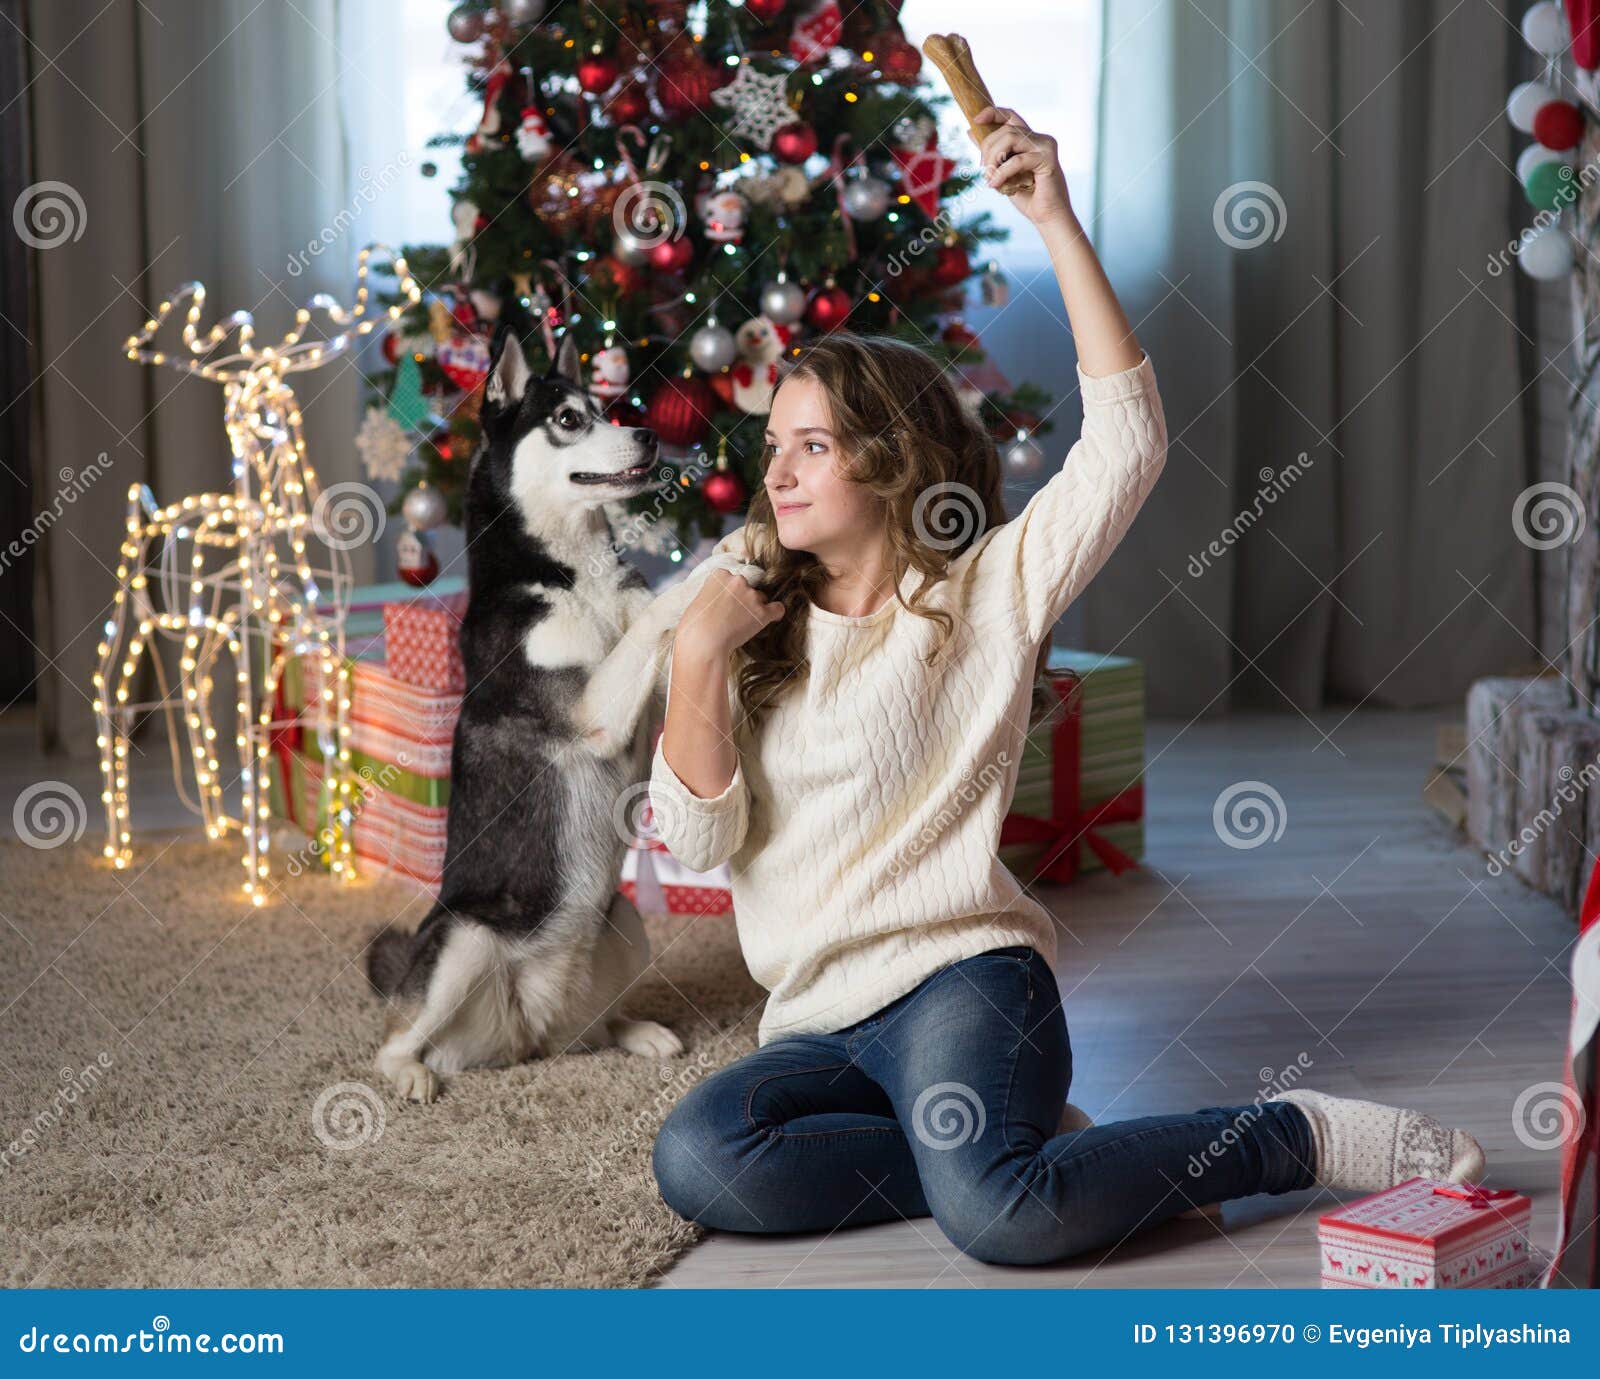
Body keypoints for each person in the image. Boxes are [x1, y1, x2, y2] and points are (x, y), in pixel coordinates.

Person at [646, 106, 1485, 1266]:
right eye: (772, 446)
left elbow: (1127, 440)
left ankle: (1282, 1136)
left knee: (1003, 1216)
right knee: (697, 1157)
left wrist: (1055, 218)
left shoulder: (986, 588)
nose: (775, 471)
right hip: (814, 1019)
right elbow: (696, 838)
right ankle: (1009, 1148)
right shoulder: (737, 604)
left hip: (962, 980)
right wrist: (696, 657)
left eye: (813, 446)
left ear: (890, 461)